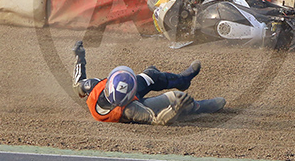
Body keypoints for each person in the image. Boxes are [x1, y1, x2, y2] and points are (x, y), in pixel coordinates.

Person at [72, 40, 225, 125]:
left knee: (151, 74)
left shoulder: (92, 87)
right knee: (176, 97)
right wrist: (176, 108)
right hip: (135, 106)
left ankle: (183, 80)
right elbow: (157, 120)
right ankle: (199, 106)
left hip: (123, 99)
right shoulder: (131, 110)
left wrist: (80, 58)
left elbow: (77, 84)